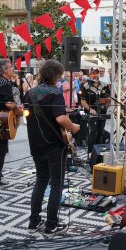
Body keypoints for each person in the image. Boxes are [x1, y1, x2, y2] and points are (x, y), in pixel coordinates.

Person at [24, 59, 80, 237]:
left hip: (36, 144)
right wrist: (74, 127)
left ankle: (34, 222)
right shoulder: (55, 92)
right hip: (54, 146)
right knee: (56, 184)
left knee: (40, 181)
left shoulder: (30, 92)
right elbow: (61, 119)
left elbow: (28, 115)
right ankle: (51, 226)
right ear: (56, 75)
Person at [80, 67, 110, 153]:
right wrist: (91, 109)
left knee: (101, 131)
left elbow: (109, 98)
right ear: (90, 75)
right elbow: (83, 102)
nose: (95, 75)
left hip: (102, 112)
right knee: (92, 131)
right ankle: (90, 151)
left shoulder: (104, 85)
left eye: (97, 73)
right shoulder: (85, 86)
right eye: (93, 73)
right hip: (91, 112)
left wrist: (106, 106)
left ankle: (99, 151)